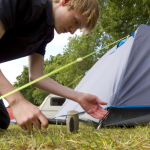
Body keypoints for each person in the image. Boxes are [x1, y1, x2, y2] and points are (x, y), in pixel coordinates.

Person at [0, 0, 107, 131]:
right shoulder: (25, 4)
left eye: (77, 28)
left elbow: (36, 76)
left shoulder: (46, 34)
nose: (73, 31)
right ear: (65, 2)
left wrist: (78, 97)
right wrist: (16, 101)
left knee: (2, 121)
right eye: (75, 21)